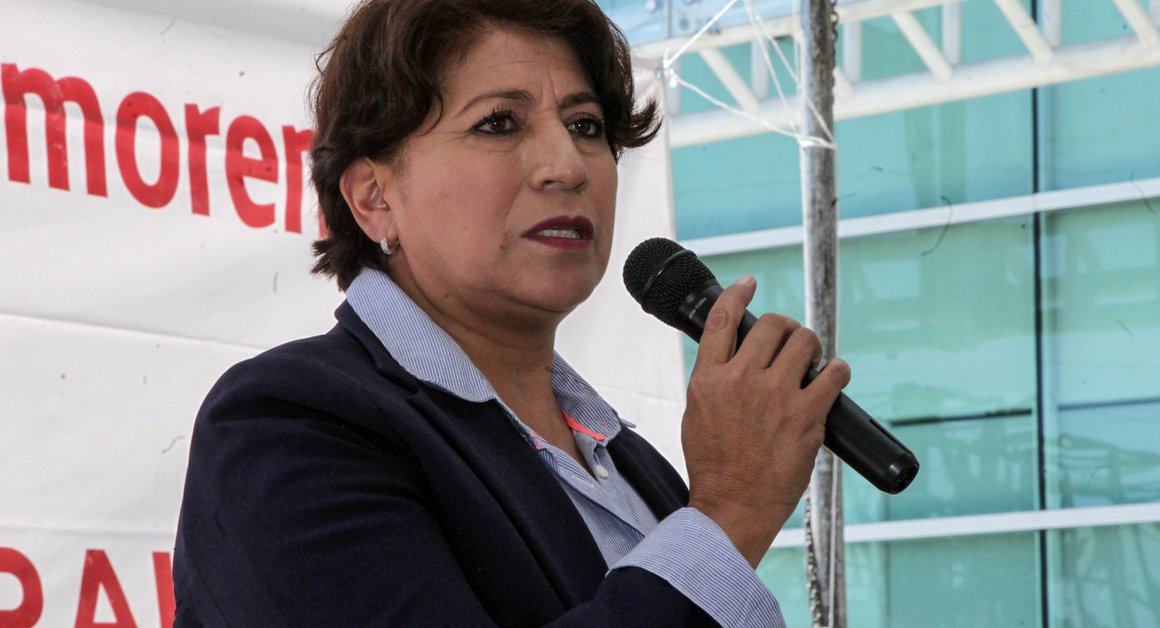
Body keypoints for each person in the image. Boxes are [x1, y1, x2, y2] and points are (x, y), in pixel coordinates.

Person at [171, 0, 851, 626]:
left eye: (586, 126)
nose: (567, 165)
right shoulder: (289, 423)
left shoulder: (633, 466)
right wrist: (729, 513)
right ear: (374, 197)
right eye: (498, 123)